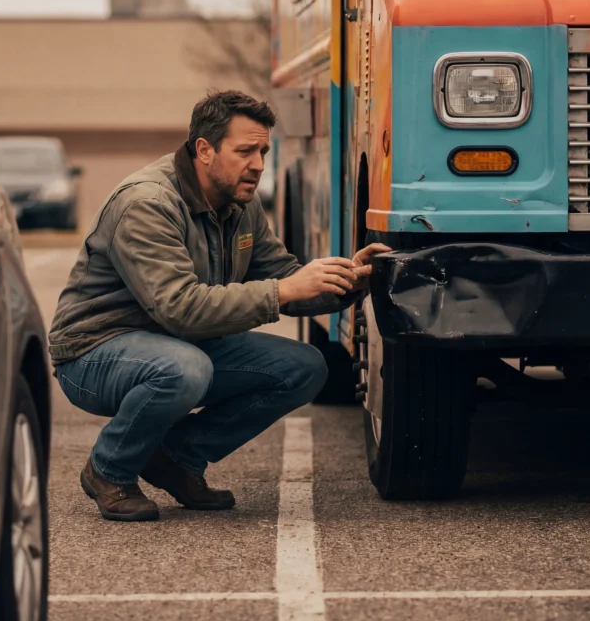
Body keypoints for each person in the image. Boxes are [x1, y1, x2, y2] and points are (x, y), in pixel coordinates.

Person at [49, 91, 390, 522]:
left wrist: (345, 283)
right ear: (204, 150)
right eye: (245, 151)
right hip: (95, 353)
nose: (259, 165)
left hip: (179, 344)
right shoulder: (147, 204)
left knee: (305, 366)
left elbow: (283, 274)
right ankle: (109, 469)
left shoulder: (239, 201)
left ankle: (176, 458)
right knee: (185, 369)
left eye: (264, 151)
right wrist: (283, 291)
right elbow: (180, 307)